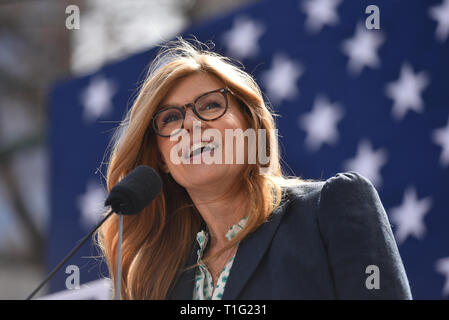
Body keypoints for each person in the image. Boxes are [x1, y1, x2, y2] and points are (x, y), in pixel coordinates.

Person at [97, 38, 412, 300]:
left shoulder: (329, 207)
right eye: (170, 119)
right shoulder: (163, 281)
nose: (191, 124)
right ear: (162, 159)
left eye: (209, 105)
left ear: (249, 125)